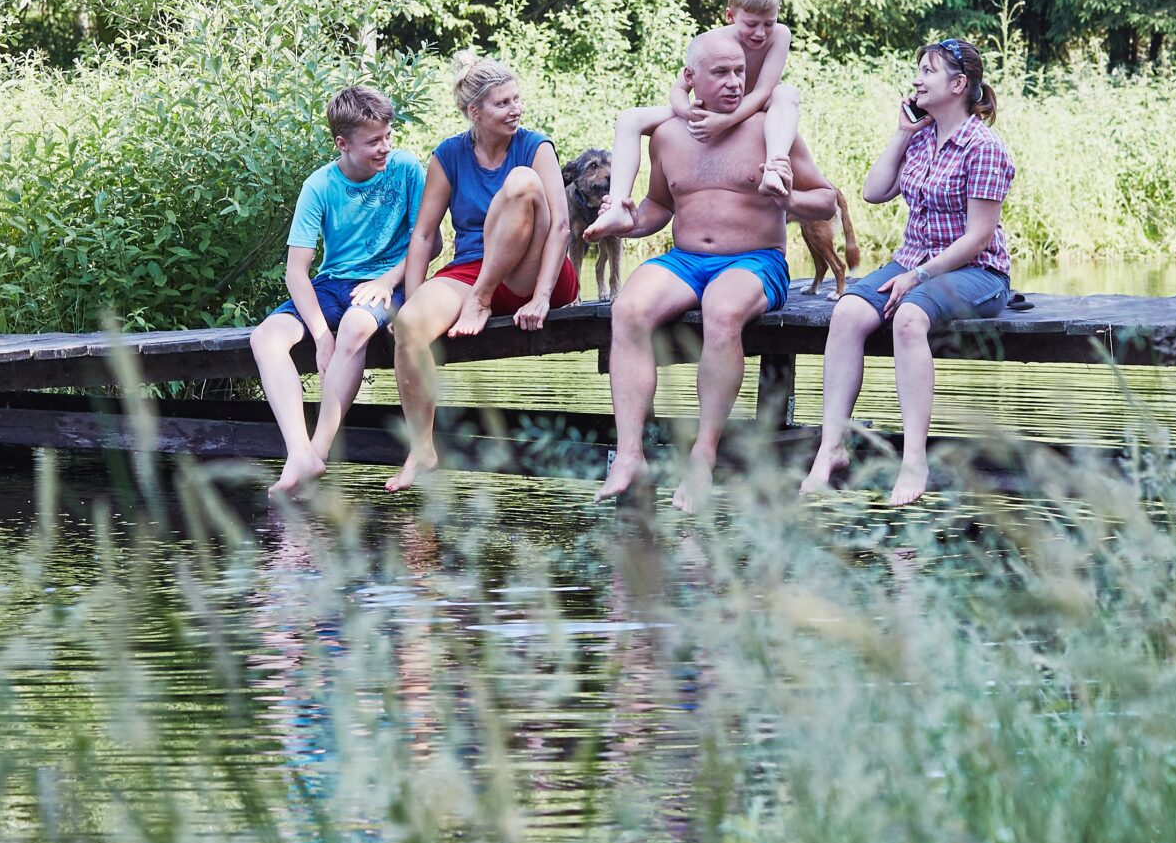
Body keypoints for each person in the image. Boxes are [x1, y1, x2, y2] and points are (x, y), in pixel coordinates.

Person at [586, 30, 843, 512]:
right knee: (629, 308)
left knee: (721, 310)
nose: (733, 82)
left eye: (739, 72)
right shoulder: (666, 135)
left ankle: (703, 458)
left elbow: (826, 199)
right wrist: (625, 222)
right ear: (690, 79)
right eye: (721, 73)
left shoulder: (768, 128)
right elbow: (661, 204)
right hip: (685, 260)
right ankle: (629, 456)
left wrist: (788, 199)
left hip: (755, 261)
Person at [802, 37, 1015, 506]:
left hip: (977, 270)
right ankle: (831, 447)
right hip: (913, 259)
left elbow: (978, 237)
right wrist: (901, 133)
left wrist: (918, 277)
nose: (916, 78)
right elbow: (874, 192)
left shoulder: (983, 147)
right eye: (917, 69)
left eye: (928, 71)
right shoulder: (921, 137)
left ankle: (913, 460)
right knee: (849, 312)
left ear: (958, 85)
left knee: (908, 317)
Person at [384, 57, 576, 492]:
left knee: (522, 182)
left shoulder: (535, 146)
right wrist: (414, 300)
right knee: (410, 324)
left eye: (516, 99)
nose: (516, 109)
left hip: (534, 269)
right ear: (475, 112)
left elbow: (561, 226)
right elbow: (424, 235)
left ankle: (483, 298)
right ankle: (421, 448)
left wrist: (543, 296)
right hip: (472, 268)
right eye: (503, 103)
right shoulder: (449, 155)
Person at [248, 86, 426, 497]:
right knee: (265, 337)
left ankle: (319, 449)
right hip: (332, 284)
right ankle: (300, 454)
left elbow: (426, 242)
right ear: (342, 144)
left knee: (356, 324)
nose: (385, 148)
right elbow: (297, 272)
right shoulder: (319, 186)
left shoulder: (406, 169)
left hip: (388, 283)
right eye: (373, 142)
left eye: (387, 136)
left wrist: (386, 282)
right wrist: (319, 334)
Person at [597, 0, 803, 219]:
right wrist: (687, 111)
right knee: (630, 118)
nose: (760, 33)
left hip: (753, 105)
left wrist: (725, 121)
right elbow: (679, 89)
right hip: (708, 108)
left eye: (768, 24)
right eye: (751, 24)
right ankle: (617, 206)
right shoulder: (711, 41)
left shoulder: (780, 35)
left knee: (787, 93)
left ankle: (774, 168)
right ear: (730, 16)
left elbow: (763, 91)